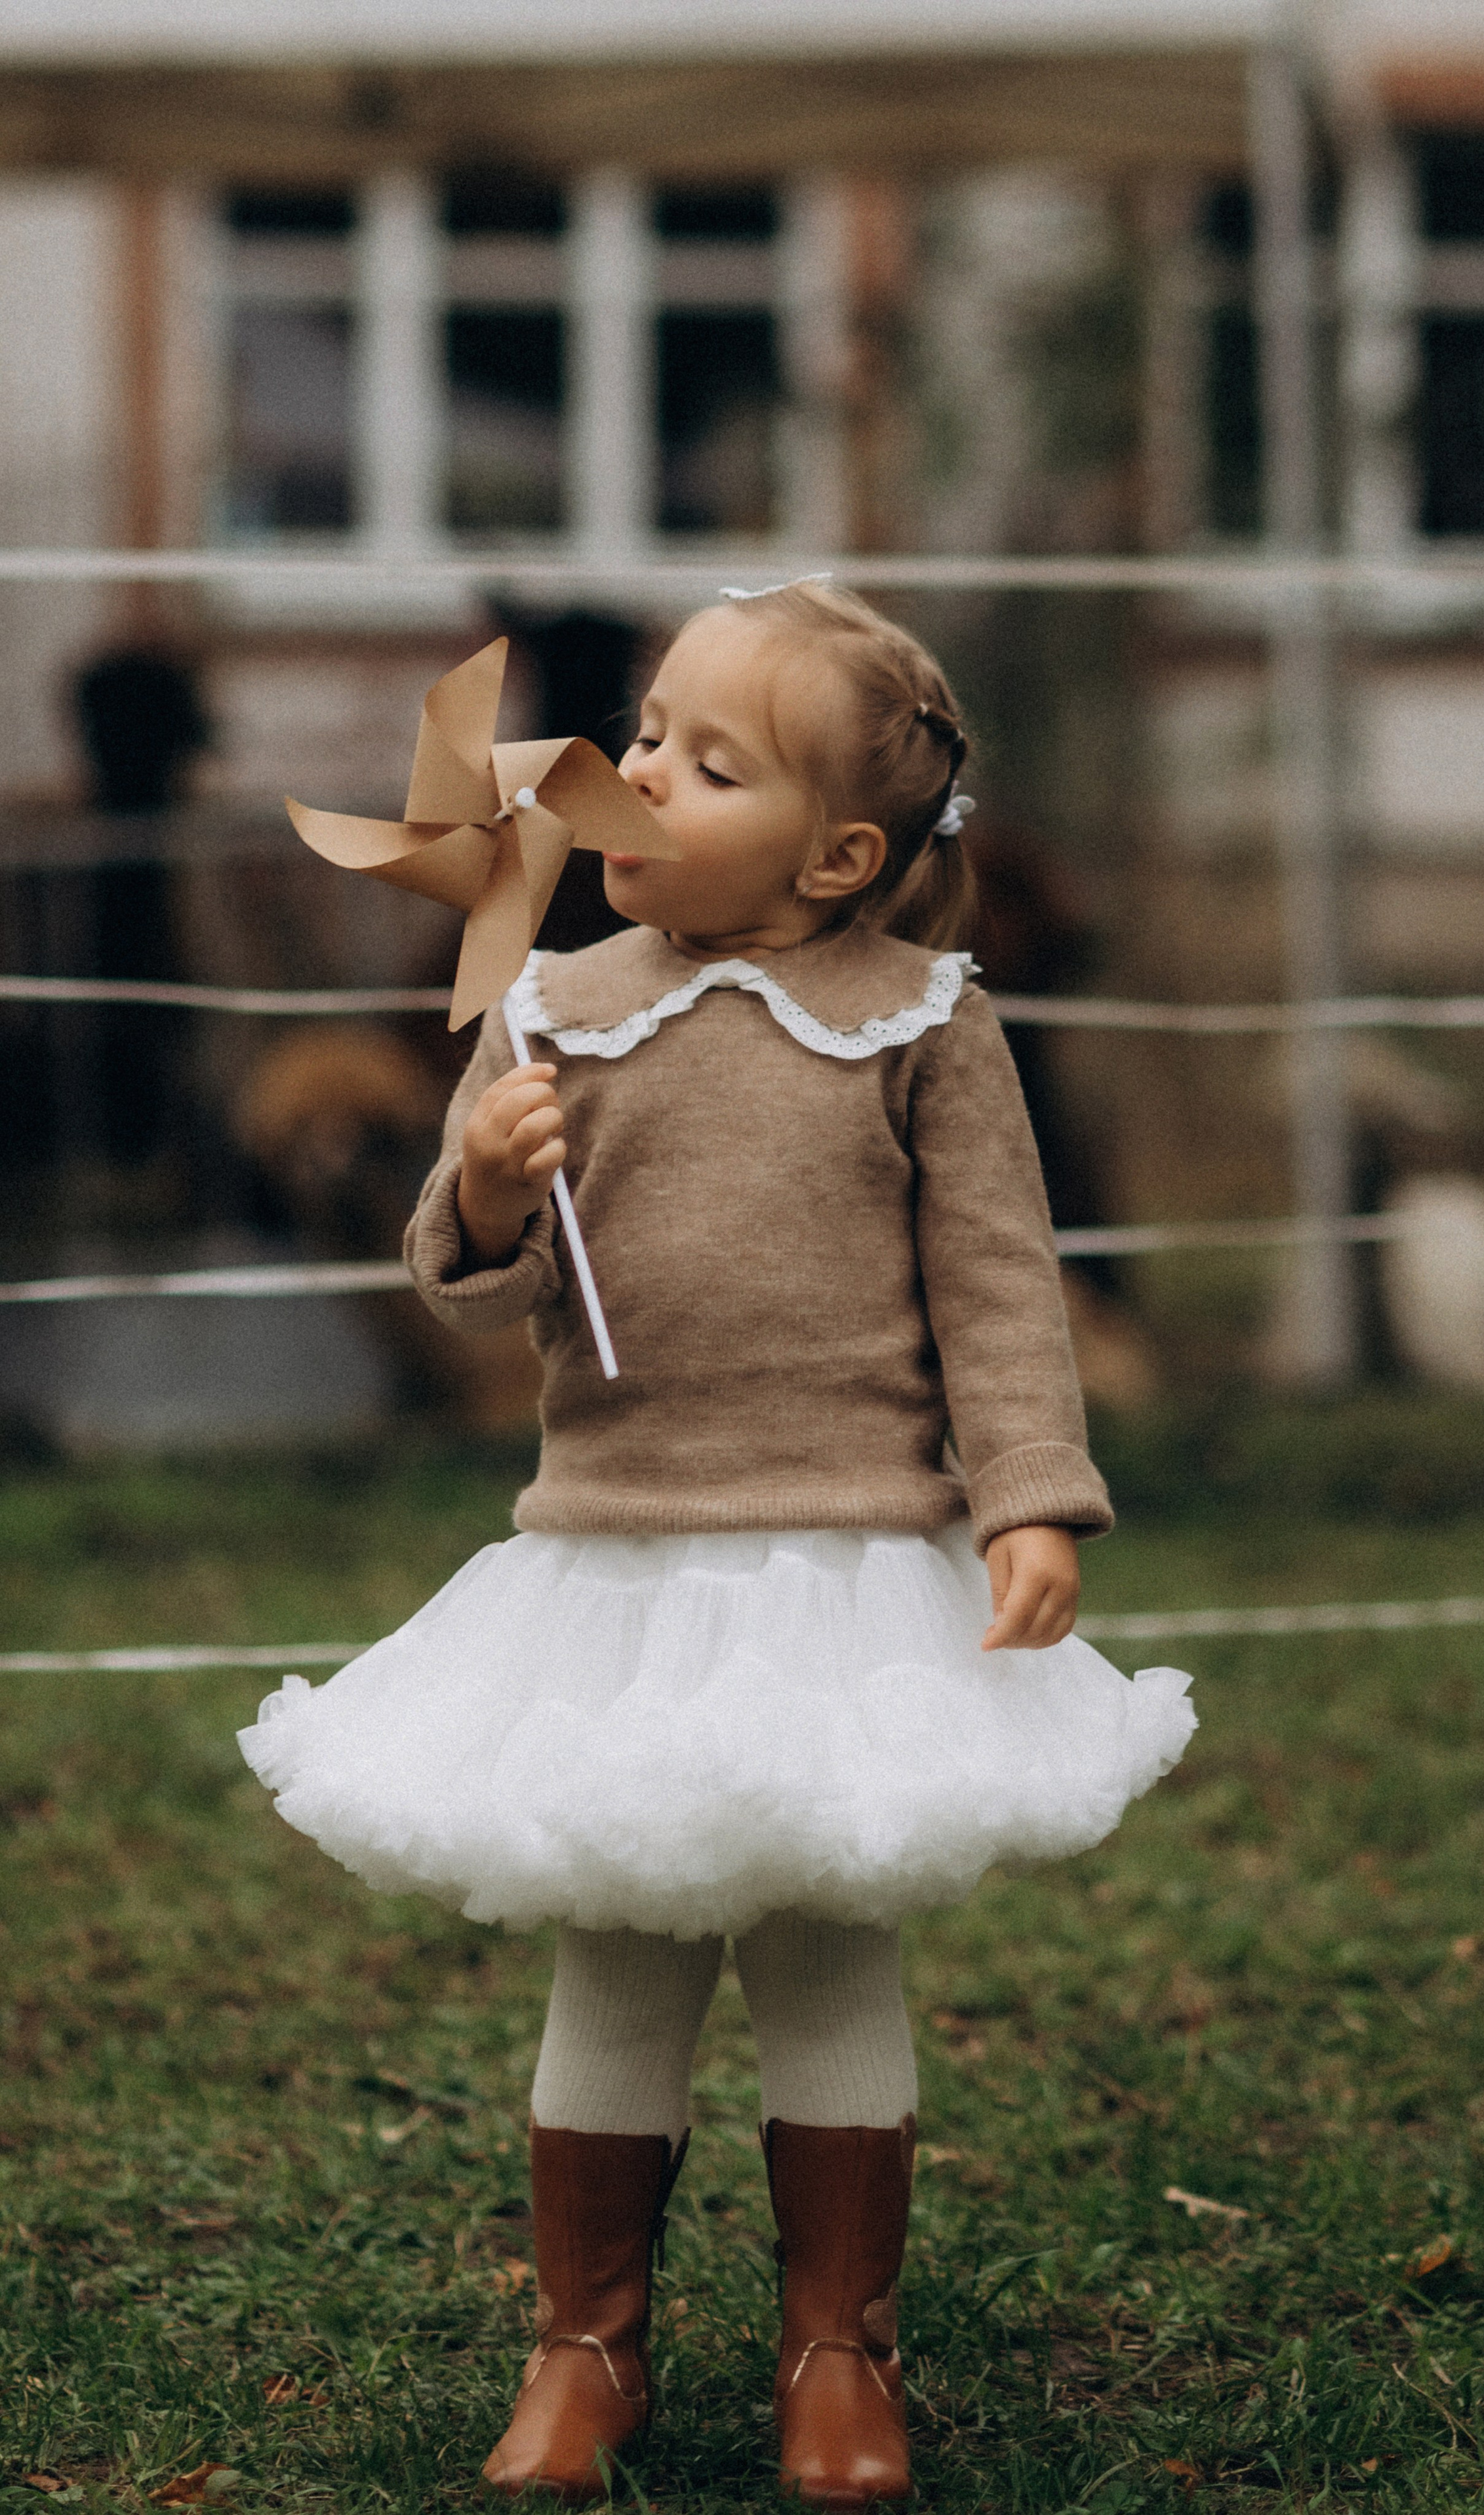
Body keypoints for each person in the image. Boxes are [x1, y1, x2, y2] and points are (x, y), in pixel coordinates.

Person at [239, 580, 1194, 2508]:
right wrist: (485, 1186)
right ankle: (585, 2344)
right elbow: (478, 1285)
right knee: (621, 1947)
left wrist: (1028, 1491)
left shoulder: (923, 1019)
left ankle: (841, 2347)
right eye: (648, 733)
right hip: (618, 1561)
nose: (642, 772)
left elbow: (997, 1283)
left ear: (839, 855)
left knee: (831, 1945)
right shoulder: (551, 1007)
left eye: (711, 760)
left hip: (849, 1563)